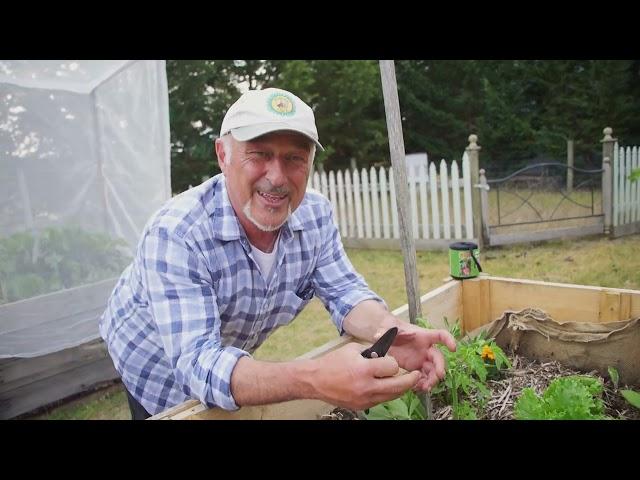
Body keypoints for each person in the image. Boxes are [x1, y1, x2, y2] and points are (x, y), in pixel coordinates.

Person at [99, 87, 456, 420]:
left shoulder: (315, 215)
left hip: (225, 350)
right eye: (260, 154)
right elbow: (197, 364)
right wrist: (314, 378)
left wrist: (388, 329)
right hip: (153, 362)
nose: (277, 176)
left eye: (294, 158)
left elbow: (345, 290)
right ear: (223, 155)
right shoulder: (178, 233)